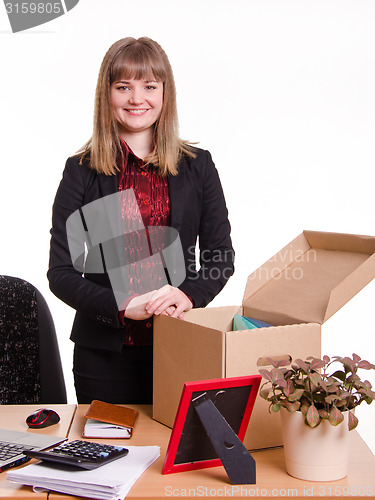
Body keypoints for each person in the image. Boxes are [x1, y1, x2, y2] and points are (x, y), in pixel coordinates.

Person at [48, 36, 234, 405]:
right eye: (123, 87)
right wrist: (120, 305)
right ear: (108, 94)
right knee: (104, 456)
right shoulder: (81, 171)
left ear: (165, 93)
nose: (137, 99)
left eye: (149, 86)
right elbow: (61, 272)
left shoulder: (198, 166)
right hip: (103, 357)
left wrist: (188, 294)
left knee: (176, 453)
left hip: (181, 345)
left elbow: (219, 257)